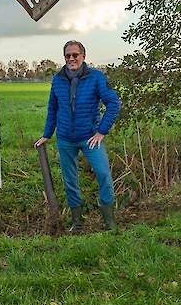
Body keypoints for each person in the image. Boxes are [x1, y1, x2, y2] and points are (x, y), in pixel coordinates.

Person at [35, 40, 121, 231]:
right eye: (68, 55)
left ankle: (109, 221)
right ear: (64, 58)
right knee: (70, 181)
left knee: (103, 175)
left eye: (75, 55)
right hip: (66, 139)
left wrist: (101, 132)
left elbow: (113, 104)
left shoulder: (96, 78)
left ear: (83, 56)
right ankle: (77, 222)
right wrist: (47, 134)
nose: (71, 58)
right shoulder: (58, 80)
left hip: (90, 137)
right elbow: (53, 109)